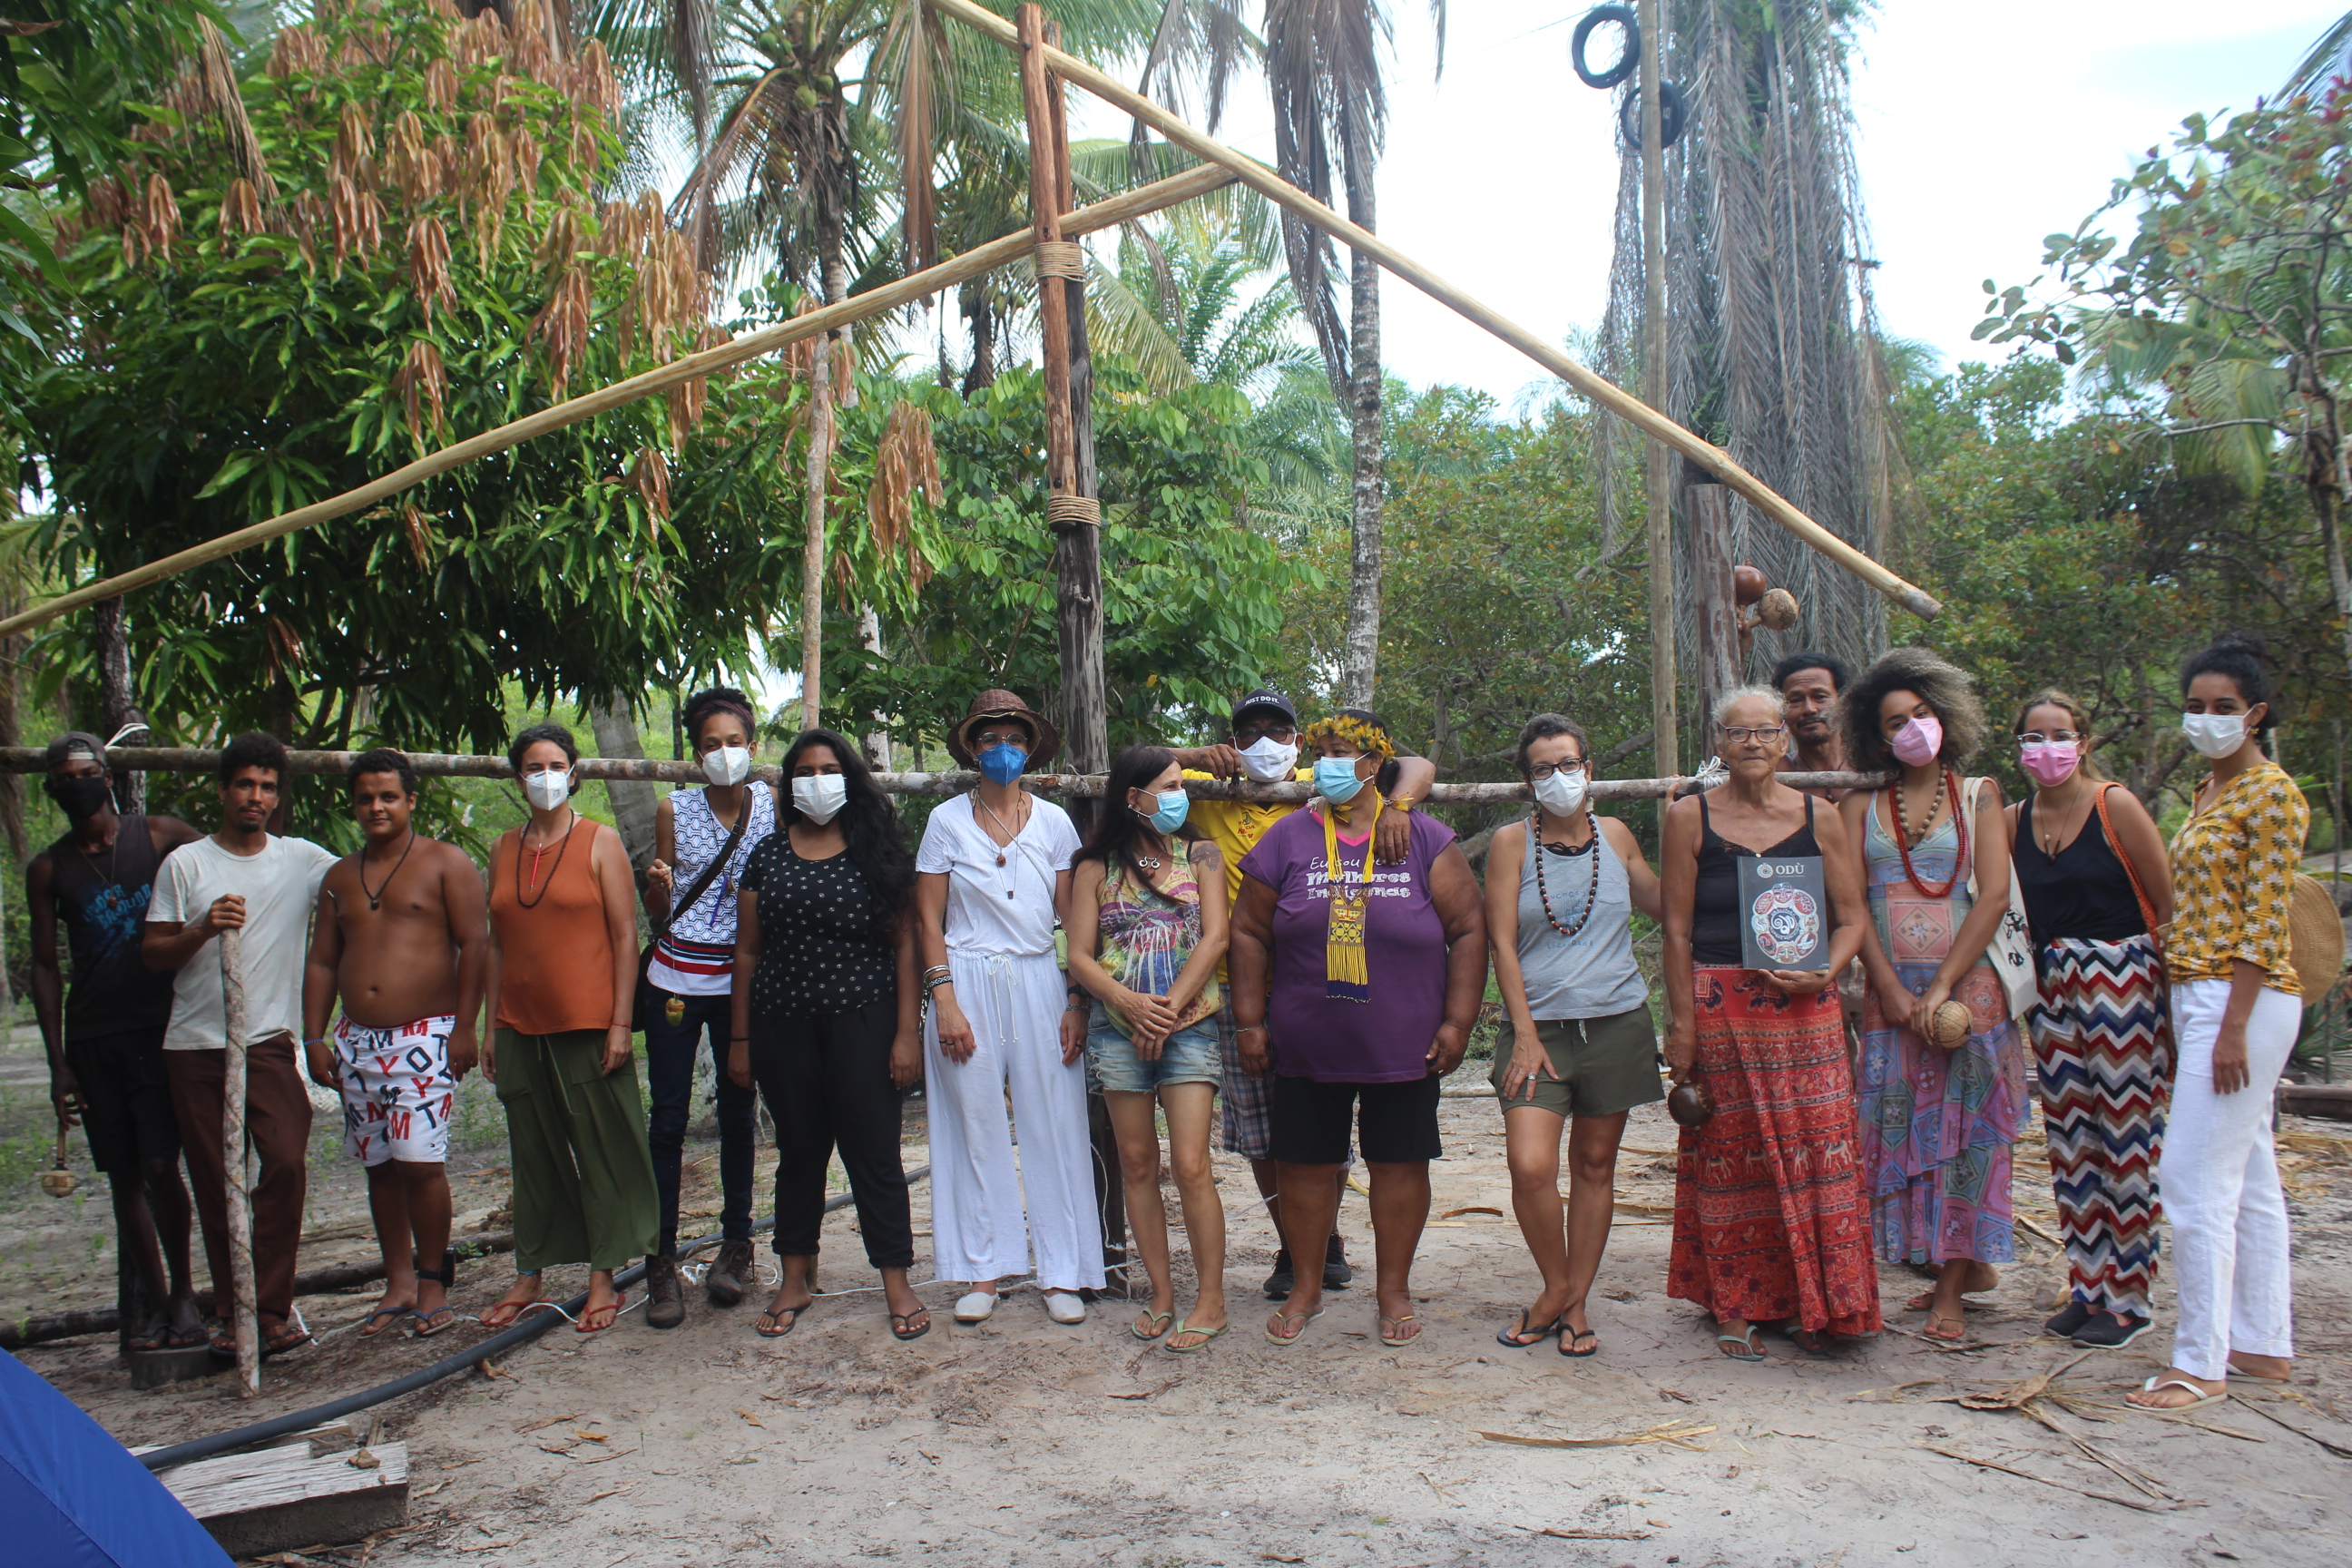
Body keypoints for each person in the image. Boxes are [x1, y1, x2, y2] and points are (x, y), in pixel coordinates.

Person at [1230, 710, 1486, 1348]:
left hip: (1405, 1043)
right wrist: (1248, 1021)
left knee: (1399, 1163)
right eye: (1321, 751)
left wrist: (1458, 1020)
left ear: (1375, 764)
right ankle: (1308, 1286)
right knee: (1306, 1166)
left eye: (1340, 750)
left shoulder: (1426, 838)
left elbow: (1468, 930)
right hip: (1305, 1041)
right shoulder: (1288, 838)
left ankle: (1392, 1289)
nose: (1328, 762)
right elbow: (1248, 931)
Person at [1175, 688, 1436, 1298]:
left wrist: (1399, 804)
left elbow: (1418, 765)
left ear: (1298, 740)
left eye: (1278, 729)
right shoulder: (1211, 789)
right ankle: (1301, 1248)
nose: (1263, 741)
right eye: (1249, 731)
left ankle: (1325, 1244)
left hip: (1316, 988)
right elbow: (1137, 764)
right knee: (1267, 1136)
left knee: (1330, 1129)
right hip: (1236, 985)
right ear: (1232, 741)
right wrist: (1199, 754)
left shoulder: (1324, 779)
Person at [1661, 689, 1880, 1359]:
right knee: (1730, 1156)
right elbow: (1674, 930)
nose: (1752, 742)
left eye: (1765, 731)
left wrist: (1828, 973)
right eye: (1737, 732)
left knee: (1819, 1155)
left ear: (1785, 741)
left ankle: (1821, 1301)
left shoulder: (1820, 816)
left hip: (1805, 1011)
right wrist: (1681, 1027)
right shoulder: (1688, 817)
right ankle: (1738, 1302)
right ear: (1718, 743)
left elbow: (1851, 918)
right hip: (1720, 1005)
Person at [2131, 634, 2309, 1411]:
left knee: (2193, 1179)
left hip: (2244, 997)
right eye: (2197, 707)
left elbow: (2265, 920)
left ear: (2256, 714)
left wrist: (2233, 1025)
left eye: (2224, 709)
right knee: (2253, 1177)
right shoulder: (2209, 794)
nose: (2207, 720)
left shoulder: (2271, 795)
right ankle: (2263, 1344)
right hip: (2205, 993)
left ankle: (2198, 1361)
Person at [1838, 648, 2028, 1343]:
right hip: (1893, 1000)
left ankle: (1952, 1284)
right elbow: (1853, 902)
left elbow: (1995, 894)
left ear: (1945, 716)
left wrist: (1944, 983)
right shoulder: (1860, 804)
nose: (1912, 727)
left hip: (1966, 998)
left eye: (1921, 714)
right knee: (1903, 1132)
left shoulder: (1978, 794)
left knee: (1967, 1136)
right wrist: (1886, 987)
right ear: (1875, 733)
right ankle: (1954, 1263)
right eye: (1896, 720)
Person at [142, 732, 340, 1360]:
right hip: (196, 1046)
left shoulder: (301, 860)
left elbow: (362, 890)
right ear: (224, 791)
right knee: (216, 1180)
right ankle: (234, 1313)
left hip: (268, 1042)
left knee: (283, 1161)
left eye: (267, 787)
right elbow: (153, 954)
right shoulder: (187, 865)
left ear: (277, 799)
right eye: (245, 785)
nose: (255, 797)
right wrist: (203, 928)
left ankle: (273, 1309)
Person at [726, 729, 926, 1341]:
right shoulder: (767, 855)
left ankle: (896, 1281)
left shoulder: (880, 854)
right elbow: (747, 952)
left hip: (865, 1022)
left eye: (828, 769)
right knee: (799, 1156)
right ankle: (795, 1279)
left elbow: (905, 949)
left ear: (848, 778)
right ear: (788, 784)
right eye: (804, 772)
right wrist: (739, 1041)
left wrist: (905, 1035)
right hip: (782, 1027)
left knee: (875, 1156)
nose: (817, 781)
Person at [916, 691, 1100, 1325]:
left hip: (1036, 977)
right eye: (989, 739)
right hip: (965, 978)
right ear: (972, 747)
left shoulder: (1053, 822)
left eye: (1013, 739)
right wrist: (944, 999)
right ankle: (983, 1269)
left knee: (1054, 1119)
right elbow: (927, 916)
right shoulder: (945, 821)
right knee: (973, 1123)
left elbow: (1071, 916)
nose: (1002, 750)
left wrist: (1076, 998)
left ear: (1030, 747)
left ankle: (1062, 1271)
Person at [1486, 714, 1664, 1358]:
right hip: (1540, 1031)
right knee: (1530, 1165)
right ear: (1527, 780)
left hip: (1617, 1022)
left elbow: (1666, 904)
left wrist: (1698, 828)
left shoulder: (1615, 836)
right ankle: (1557, 1288)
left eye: (1568, 764)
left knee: (1594, 1165)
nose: (1558, 778)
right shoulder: (1511, 844)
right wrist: (1526, 1034)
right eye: (1542, 768)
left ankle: (1574, 1305)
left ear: (1589, 768)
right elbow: (1502, 944)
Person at [2004, 691, 2174, 1350]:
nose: (2046, 748)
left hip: (2122, 980)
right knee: (2072, 1140)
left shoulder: (2115, 806)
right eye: (2033, 737)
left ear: (2083, 741)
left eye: (2059, 734)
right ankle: (2089, 1286)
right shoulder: (2016, 819)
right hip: (2050, 989)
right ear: (2018, 747)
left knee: (2128, 1140)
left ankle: (2131, 1298)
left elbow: (2165, 903)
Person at [299, 750, 489, 1338]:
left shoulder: (444, 863)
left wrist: (464, 1027)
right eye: (365, 798)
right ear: (353, 805)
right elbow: (324, 961)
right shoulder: (339, 877)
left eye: (388, 796)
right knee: (379, 1166)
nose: (376, 807)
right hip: (355, 1042)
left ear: (410, 800)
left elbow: (475, 946)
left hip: (424, 1036)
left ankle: (433, 1280)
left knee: (420, 1163)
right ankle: (398, 1281)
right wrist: (314, 1036)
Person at [479, 724, 660, 1336]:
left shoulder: (598, 841)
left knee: (602, 1150)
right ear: (518, 775)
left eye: (557, 764)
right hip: (517, 1025)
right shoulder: (503, 849)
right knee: (532, 1151)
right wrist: (488, 1024)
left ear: (574, 771)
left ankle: (604, 1274)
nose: (546, 776)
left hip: (587, 1023)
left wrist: (618, 1023)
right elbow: (496, 945)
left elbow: (623, 937)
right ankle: (530, 1271)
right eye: (534, 766)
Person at [28, 733, 205, 1352]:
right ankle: (159, 1306)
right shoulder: (50, 868)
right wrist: (59, 1063)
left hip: (159, 1029)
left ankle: (186, 1292)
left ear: (106, 775)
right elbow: (46, 967)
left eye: (84, 773)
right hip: (94, 1034)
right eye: (62, 778)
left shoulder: (157, 836)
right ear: (52, 790)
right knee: (124, 1174)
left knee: (162, 1164)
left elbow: (228, 861)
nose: (75, 784)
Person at [1068, 746, 1231, 1353]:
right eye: (1164, 786)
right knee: (1136, 1164)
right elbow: (1080, 955)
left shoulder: (1202, 854)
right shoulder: (1094, 868)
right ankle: (1161, 1295)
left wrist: (1163, 1012)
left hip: (1188, 1028)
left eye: (1178, 785)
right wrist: (1129, 1005)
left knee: (1191, 1164)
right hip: (1117, 1031)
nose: (1175, 796)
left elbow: (1216, 938)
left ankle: (1210, 1300)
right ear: (1132, 798)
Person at [639, 688, 773, 1328]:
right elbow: (660, 912)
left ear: (753, 746)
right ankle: (660, 1262)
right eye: (710, 745)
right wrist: (656, 892)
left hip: (740, 983)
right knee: (666, 1118)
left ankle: (737, 1245)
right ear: (696, 756)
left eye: (733, 742)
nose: (723, 754)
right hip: (675, 980)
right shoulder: (675, 809)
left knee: (739, 1109)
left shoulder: (771, 805)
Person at [1773, 651, 1854, 801]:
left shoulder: (1871, 763)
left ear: (1843, 702)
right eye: (1796, 700)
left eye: (1820, 697)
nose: (1810, 709)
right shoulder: (1775, 774)